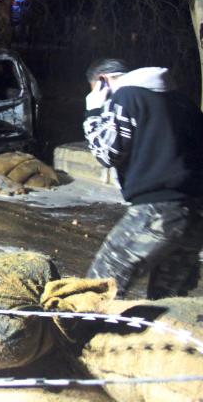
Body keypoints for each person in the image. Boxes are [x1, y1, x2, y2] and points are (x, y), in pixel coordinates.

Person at [82, 58, 203, 298]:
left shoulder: (127, 96)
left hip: (156, 211)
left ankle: (75, 335)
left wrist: (94, 110)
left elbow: (107, 153)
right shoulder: (184, 103)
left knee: (96, 292)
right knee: (169, 303)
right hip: (196, 215)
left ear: (103, 82)